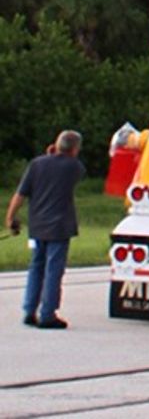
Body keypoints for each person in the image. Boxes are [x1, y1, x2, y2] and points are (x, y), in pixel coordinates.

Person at [8, 129, 86, 329]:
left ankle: (29, 310)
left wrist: (10, 217)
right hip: (60, 227)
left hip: (37, 225)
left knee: (36, 267)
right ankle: (48, 314)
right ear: (75, 149)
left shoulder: (37, 164)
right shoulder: (74, 167)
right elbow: (74, 169)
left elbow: (20, 194)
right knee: (53, 270)